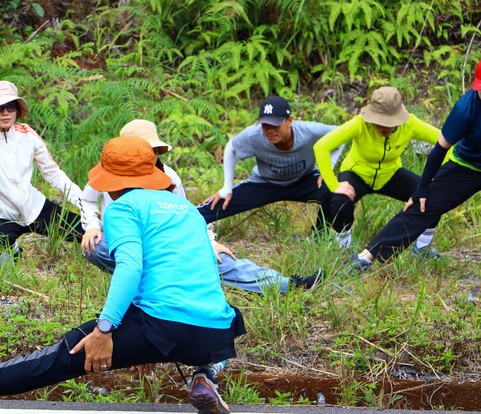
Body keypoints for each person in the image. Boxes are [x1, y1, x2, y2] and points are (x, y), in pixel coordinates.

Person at [0, 136, 245, 414]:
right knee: (213, 317)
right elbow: (191, 274)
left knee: (63, 356)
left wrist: (106, 329)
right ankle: (206, 372)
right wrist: (145, 347)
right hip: (216, 333)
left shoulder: (124, 207)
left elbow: (130, 267)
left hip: (162, 325)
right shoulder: (187, 210)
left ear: (113, 180)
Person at [80, 119, 323, 292]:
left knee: (220, 261)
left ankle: (286, 285)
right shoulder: (108, 171)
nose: (150, 156)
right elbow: (88, 198)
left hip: (164, 244)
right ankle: (149, 279)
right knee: (95, 247)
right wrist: (92, 225)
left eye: (153, 150)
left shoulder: (168, 177)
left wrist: (210, 242)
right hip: (126, 242)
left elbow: (187, 214)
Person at [351, 62, 481, 271]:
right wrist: (422, 187)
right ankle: (366, 258)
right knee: (424, 204)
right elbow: (440, 148)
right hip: (468, 165)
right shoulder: (465, 109)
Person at [0, 81, 83, 259]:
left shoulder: (27, 134)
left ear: (17, 110)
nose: (5, 113)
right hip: (0, 215)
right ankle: (14, 249)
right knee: (6, 260)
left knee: (89, 233)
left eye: (10, 107)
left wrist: (82, 201)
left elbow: (53, 172)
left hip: (34, 207)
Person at [314, 86, 442, 254]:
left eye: (388, 123)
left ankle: (422, 248)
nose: (383, 127)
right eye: (378, 122)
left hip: (390, 174)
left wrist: (439, 176)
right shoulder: (359, 123)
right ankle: (344, 248)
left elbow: (445, 141)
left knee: (433, 196)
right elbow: (321, 146)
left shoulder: (410, 124)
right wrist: (334, 184)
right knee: (340, 200)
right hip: (356, 173)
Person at [199, 96, 343, 236]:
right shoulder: (253, 135)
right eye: (265, 125)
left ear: (289, 121)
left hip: (303, 180)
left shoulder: (309, 131)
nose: (270, 130)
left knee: (335, 192)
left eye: (275, 125)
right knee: (214, 206)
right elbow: (231, 148)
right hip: (265, 183)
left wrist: (327, 168)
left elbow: (341, 134)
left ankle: (319, 235)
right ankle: (192, 223)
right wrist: (227, 187)